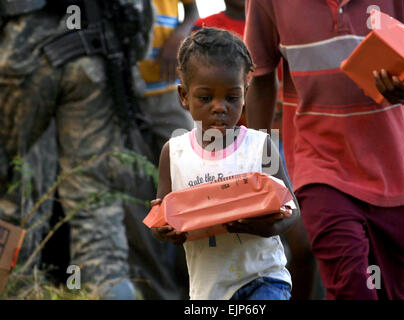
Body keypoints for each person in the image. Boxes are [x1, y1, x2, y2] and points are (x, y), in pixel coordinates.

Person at [244, 0, 404, 300]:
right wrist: (261, 168)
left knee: (393, 294)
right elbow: (260, 77)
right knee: (352, 288)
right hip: (320, 169)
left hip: (393, 176)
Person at [0, 0, 153, 299]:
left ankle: (15, 289)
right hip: (95, 50)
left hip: (20, 49)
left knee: (9, 196)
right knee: (95, 206)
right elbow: (140, 20)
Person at [150, 28, 302, 300]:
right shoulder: (173, 152)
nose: (219, 107)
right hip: (209, 290)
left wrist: (268, 228)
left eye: (231, 97)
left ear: (245, 93)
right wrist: (165, 230)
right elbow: (164, 218)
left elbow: (293, 211)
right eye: (206, 98)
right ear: (184, 96)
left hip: (264, 277)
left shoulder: (260, 146)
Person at [138, 0, 199, 161]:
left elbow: (192, 11)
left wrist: (179, 36)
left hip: (167, 90)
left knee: (187, 160)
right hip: (123, 90)